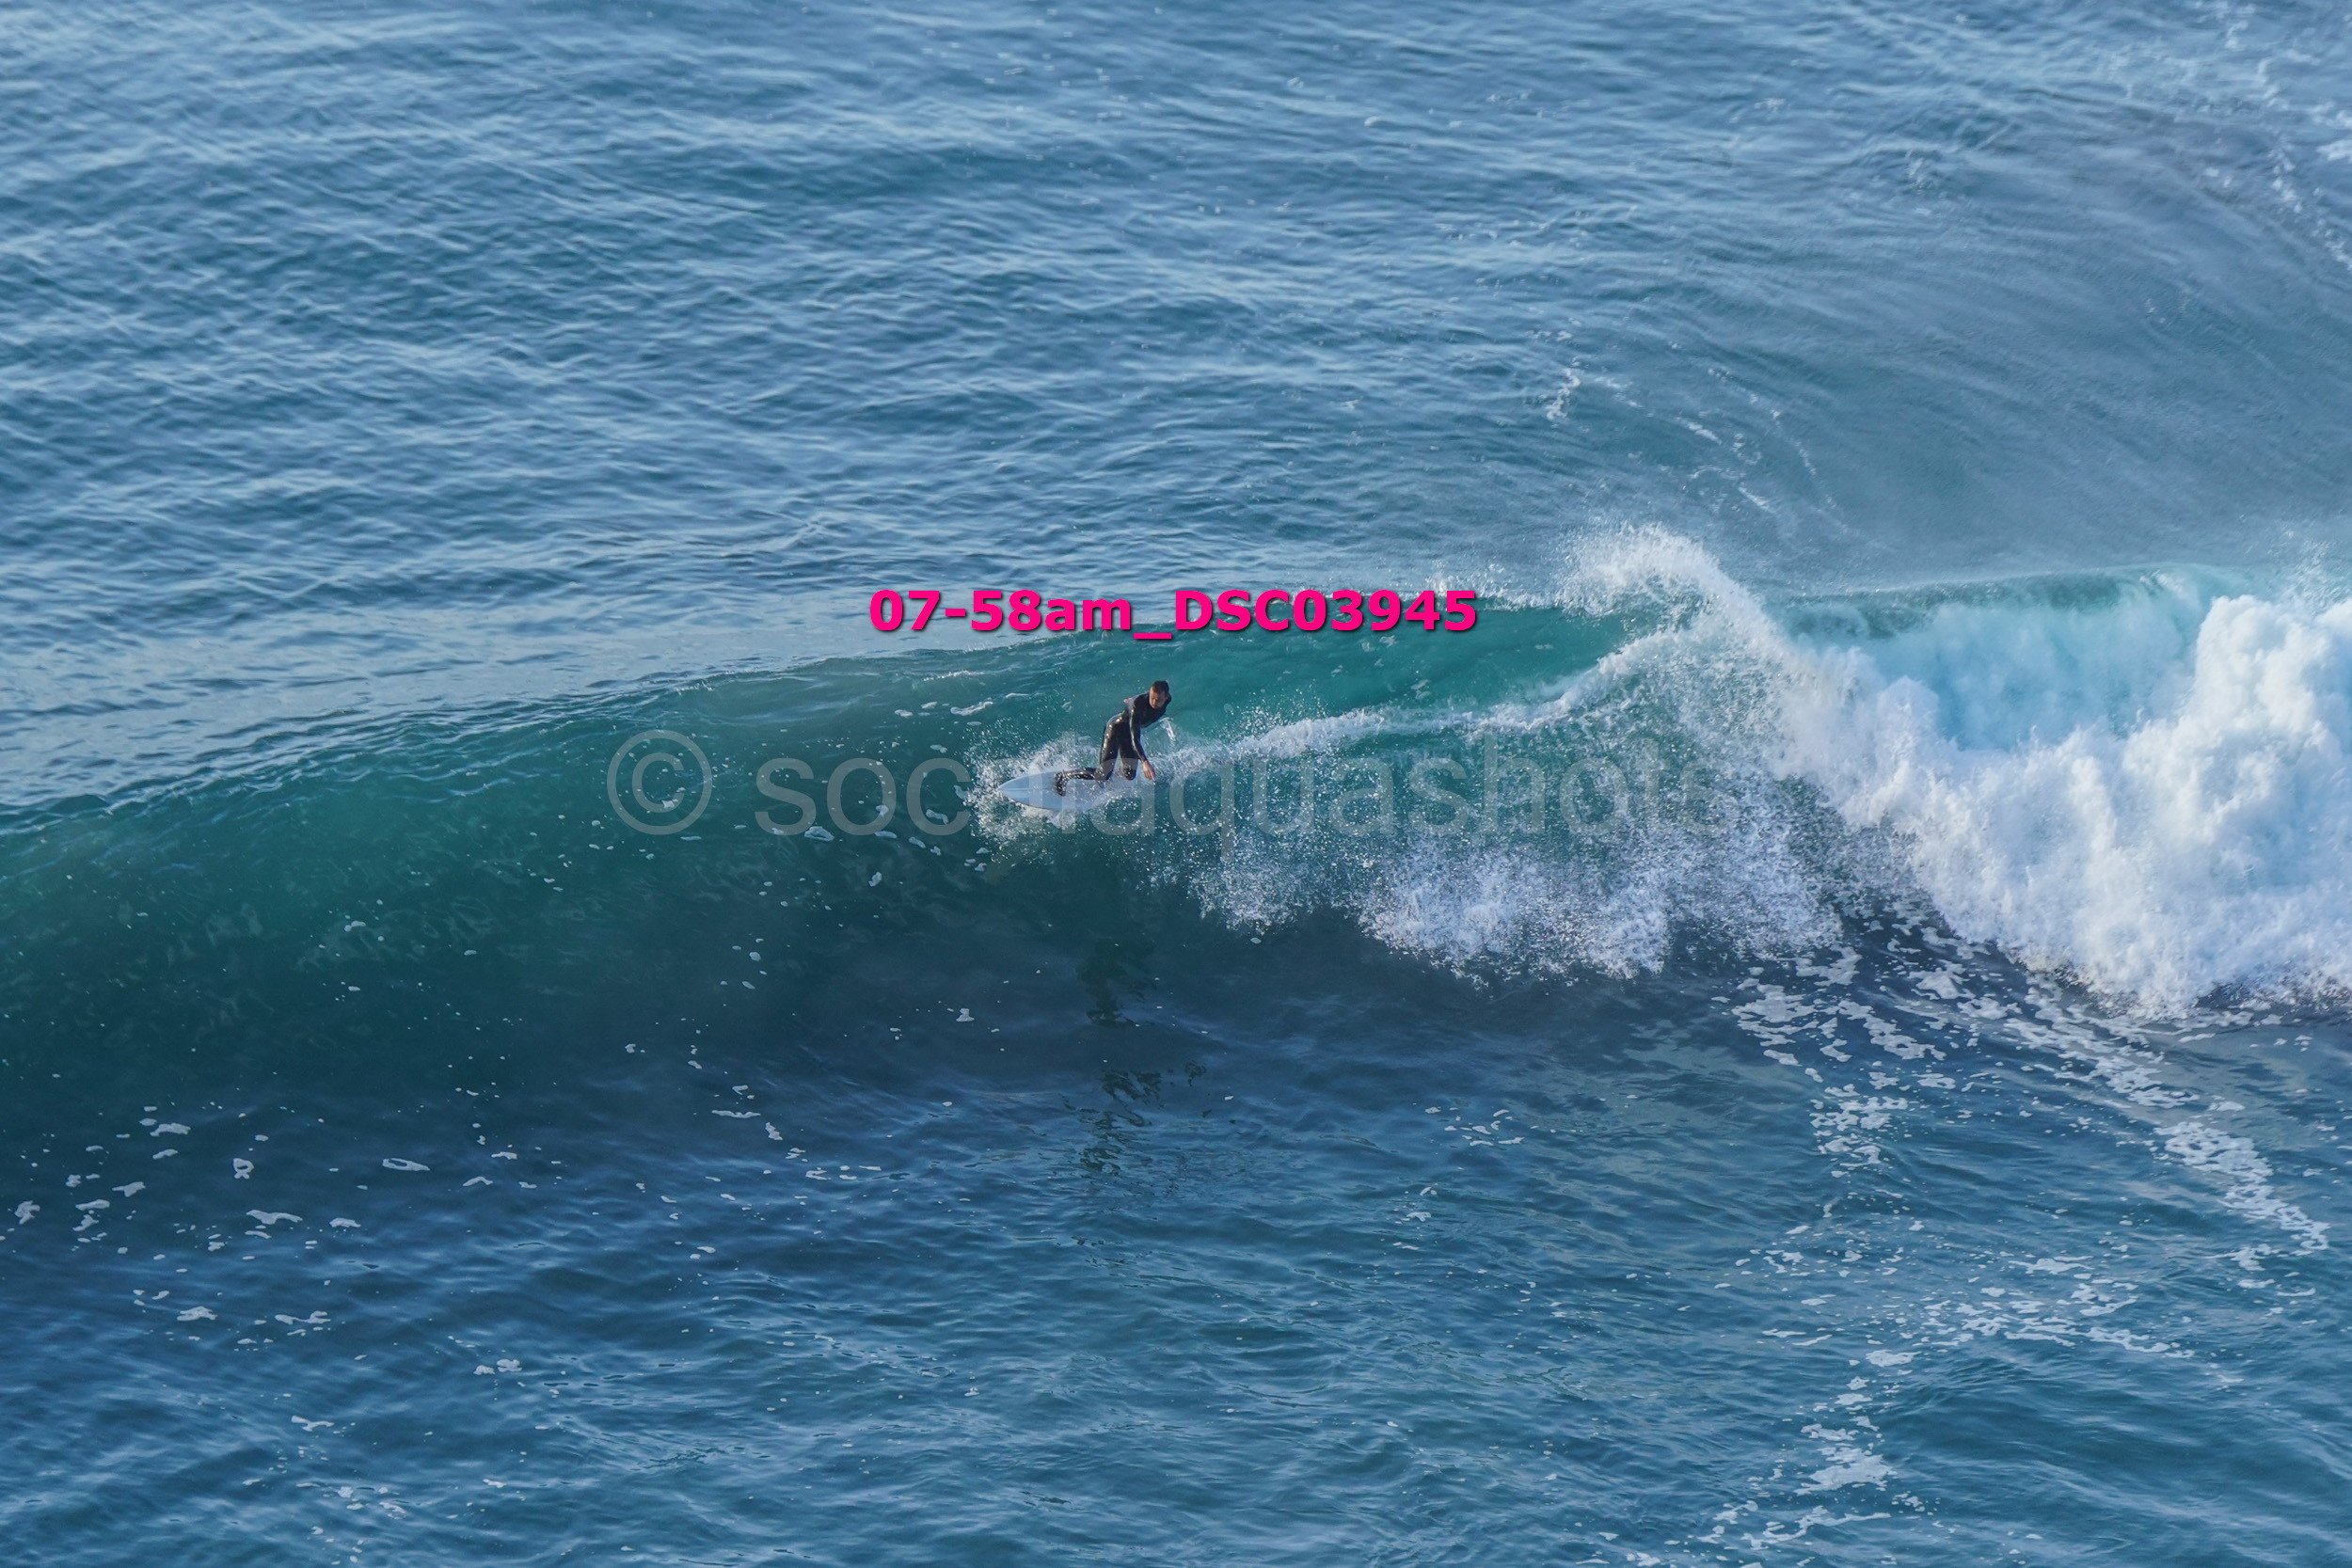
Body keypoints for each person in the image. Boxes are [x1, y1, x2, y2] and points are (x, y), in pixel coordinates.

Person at [1056, 681, 1171, 792]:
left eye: (1158, 700)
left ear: (1166, 697)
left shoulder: (1167, 700)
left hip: (1127, 734)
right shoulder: (1138, 706)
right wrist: (1145, 762)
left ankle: (1110, 771)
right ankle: (1063, 776)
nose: (1154, 702)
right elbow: (1135, 739)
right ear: (1149, 693)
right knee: (1103, 775)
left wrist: (1132, 699)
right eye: (1152, 698)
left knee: (1129, 775)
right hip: (1115, 730)